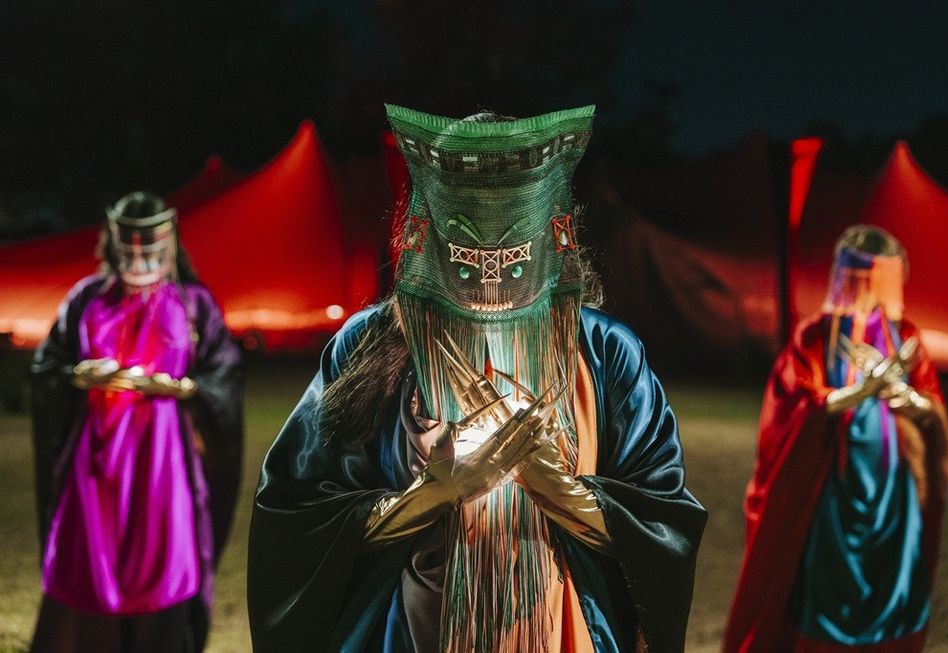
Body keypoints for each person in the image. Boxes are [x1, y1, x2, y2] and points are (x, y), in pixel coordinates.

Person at [248, 105, 707, 652]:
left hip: (563, 626)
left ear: (548, 234)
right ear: (429, 237)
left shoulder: (605, 351)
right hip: (418, 625)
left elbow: (664, 518)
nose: (489, 285)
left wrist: (557, 489)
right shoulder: (371, 343)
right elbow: (294, 513)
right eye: (466, 256)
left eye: (512, 257)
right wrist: (427, 498)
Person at [724, 225, 948, 652]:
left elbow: (930, 406)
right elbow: (796, 403)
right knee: (827, 574)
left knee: (890, 575)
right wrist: (865, 387)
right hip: (834, 483)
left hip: (893, 485)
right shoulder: (817, 336)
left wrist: (901, 393)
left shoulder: (904, 334)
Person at [29, 191, 244, 653]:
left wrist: (180, 387)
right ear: (113, 246)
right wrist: (77, 375)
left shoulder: (194, 304)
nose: (140, 260)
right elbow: (48, 369)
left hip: (163, 462)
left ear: (169, 247)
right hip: (95, 462)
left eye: (151, 251)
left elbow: (223, 376)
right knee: (88, 558)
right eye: (131, 251)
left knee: (162, 560)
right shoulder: (87, 298)